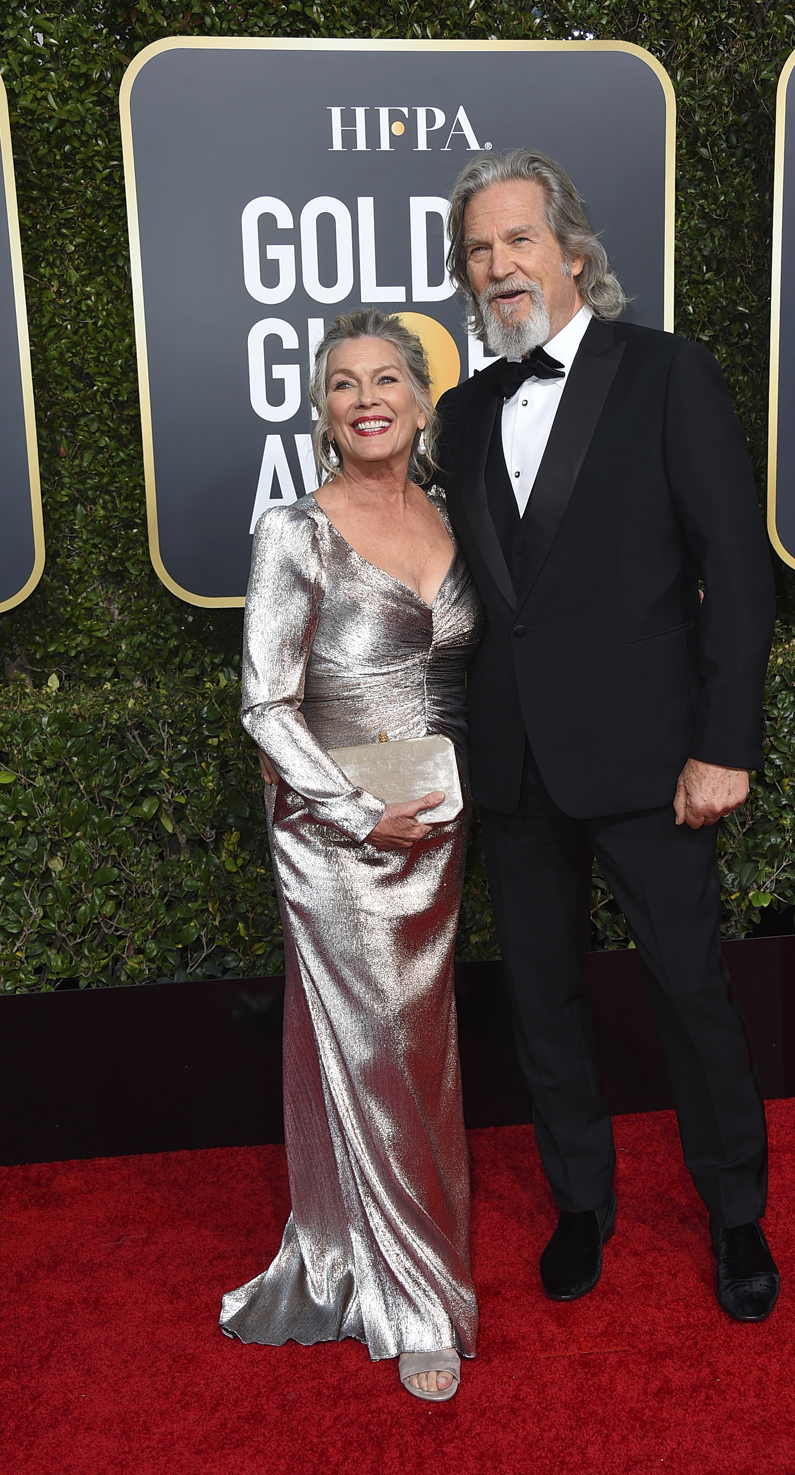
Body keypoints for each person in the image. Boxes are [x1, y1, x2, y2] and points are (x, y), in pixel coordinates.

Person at [434, 149, 780, 1322]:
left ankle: (736, 1212)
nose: (499, 265)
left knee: (689, 989)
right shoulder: (462, 410)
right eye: (479, 250)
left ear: (571, 249)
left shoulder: (668, 373)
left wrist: (723, 743)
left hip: (652, 757)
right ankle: (582, 1198)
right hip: (515, 763)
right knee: (542, 997)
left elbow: (735, 573)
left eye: (518, 240)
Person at [221, 309, 482, 1400]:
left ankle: (351, 1252)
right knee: (386, 1055)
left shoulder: (458, 515)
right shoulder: (297, 529)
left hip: (440, 827)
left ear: (423, 400)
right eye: (342, 383)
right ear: (323, 411)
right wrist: (349, 810)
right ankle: (416, 1299)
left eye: (387, 378)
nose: (366, 397)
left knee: (420, 1051)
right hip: (339, 838)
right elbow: (265, 704)